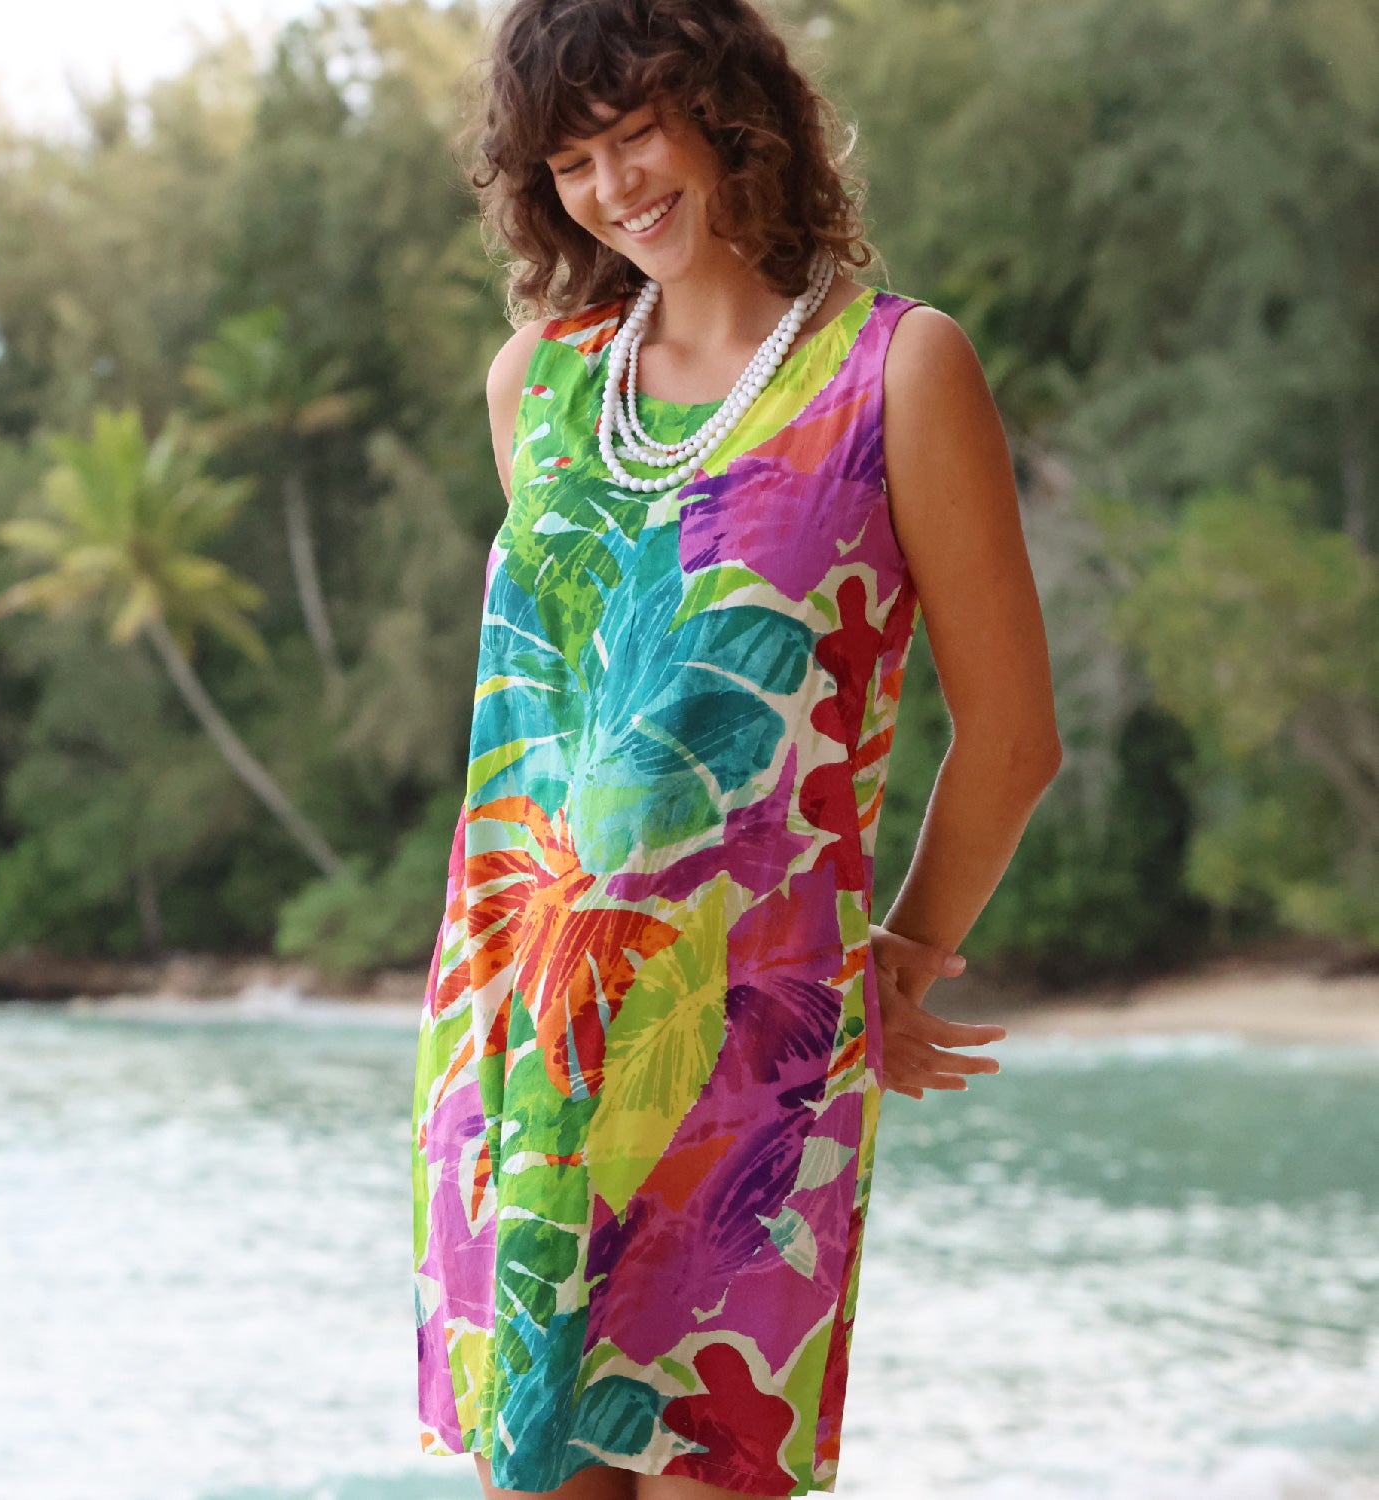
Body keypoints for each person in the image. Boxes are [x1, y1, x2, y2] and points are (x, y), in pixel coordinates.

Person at [411, 0, 1062, 1494]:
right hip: (521, 1036)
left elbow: (1015, 737)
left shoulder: (895, 373)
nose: (616, 184)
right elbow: (559, 735)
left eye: (639, 130)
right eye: (572, 157)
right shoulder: (537, 384)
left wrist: (898, 955)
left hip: (750, 1053)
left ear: (730, 111)